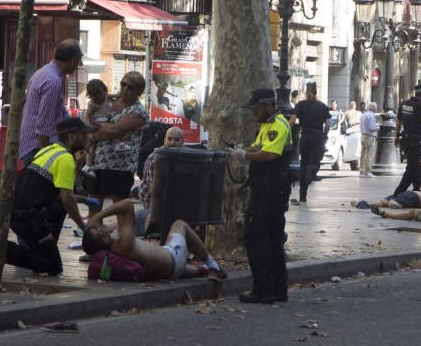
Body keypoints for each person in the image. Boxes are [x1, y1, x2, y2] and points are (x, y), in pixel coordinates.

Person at [6, 117, 95, 275]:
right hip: (29, 220)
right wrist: (84, 227)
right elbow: (67, 200)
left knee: (44, 258)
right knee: (53, 267)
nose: (86, 137)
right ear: (71, 137)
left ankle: (41, 247)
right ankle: (6, 251)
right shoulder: (65, 158)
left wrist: (84, 200)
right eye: (83, 134)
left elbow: (56, 193)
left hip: (17, 215)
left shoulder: (49, 149)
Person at [228, 88, 292, 304]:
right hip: (272, 188)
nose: (253, 113)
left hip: (270, 188)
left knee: (255, 236)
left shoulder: (278, 124)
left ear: (267, 105)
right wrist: (244, 148)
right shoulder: (267, 125)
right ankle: (277, 290)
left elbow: (270, 154)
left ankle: (264, 288)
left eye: (256, 108)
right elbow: (261, 146)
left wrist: (244, 155)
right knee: (273, 239)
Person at [81, 199, 227, 281]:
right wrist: (97, 216)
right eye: (100, 228)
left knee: (182, 267)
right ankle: (213, 266)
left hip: (169, 271)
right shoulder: (124, 243)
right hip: (173, 258)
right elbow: (127, 205)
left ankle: (202, 270)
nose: (102, 225)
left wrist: (94, 225)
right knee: (180, 224)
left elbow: (121, 214)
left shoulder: (115, 250)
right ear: (105, 238)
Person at [87, 72, 149, 215]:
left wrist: (93, 136)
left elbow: (113, 131)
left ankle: (123, 237)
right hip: (96, 163)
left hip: (120, 167)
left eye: (131, 87)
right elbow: (93, 119)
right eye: (123, 84)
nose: (125, 88)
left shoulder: (138, 112)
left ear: (139, 91)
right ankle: (93, 236)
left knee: (121, 212)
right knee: (93, 210)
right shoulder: (109, 101)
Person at [19, 39, 83, 167]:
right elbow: (44, 125)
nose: (78, 66)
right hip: (37, 149)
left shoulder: (43, 72)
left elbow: (60, 114)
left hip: (31, 145)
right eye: (79, 62)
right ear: (73, 60)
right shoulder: (53, 82)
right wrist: (46, 158)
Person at [138, 126, 185, 236]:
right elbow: (155, 192)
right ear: (164, 140)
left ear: (183, 142)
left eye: (176, 140)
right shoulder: (153, 158)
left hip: (175, 198)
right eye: (169, 139)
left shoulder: (187, 156)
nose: (172, 142)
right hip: (153, 202)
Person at [289, 82, 331, 202]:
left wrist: (287, 131)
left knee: (303, 164)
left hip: (305, 136)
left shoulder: (301, 105)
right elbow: (327, 124)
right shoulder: (323, 106)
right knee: (315, 161)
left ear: (306, 93)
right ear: (316, 92)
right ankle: (312, 169)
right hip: (318, 137)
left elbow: (292, 120)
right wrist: (324, 135)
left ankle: (303, 195)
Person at [394, 84, 421, 195]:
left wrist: (397, 135)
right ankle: (398, 192)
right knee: (412, 168)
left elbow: (398, 120)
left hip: (405, 139)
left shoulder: (404, 105)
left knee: (417, 166)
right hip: (414, 141)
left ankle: (417, 189)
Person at [81, 79, 112, 178]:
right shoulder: (93, 103)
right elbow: (87, 116)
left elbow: (114, 96)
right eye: (93, 97)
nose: (97, 98)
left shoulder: (107, 97)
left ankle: (119, 144)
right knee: (92, 146)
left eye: (98, 95)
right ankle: (88, 166)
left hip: (104, 122)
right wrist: (88, 126)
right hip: (95, 125)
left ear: (103, 90)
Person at [351, 190, 421, 210]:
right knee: (394, 202)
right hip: (414, 198)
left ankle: (364, 203)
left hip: (408, 193)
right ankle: (392, 202)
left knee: (382, 201)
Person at [359, 102, 379, 178]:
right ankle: (367, 172)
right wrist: (377, 128)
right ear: (374, 108)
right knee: (368, 155)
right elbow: (371, 128)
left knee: (363, 154)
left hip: (363, 135)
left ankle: (361, 171)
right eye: (376, 107)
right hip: (369, 136)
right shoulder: (371, 116)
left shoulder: (363, 115)